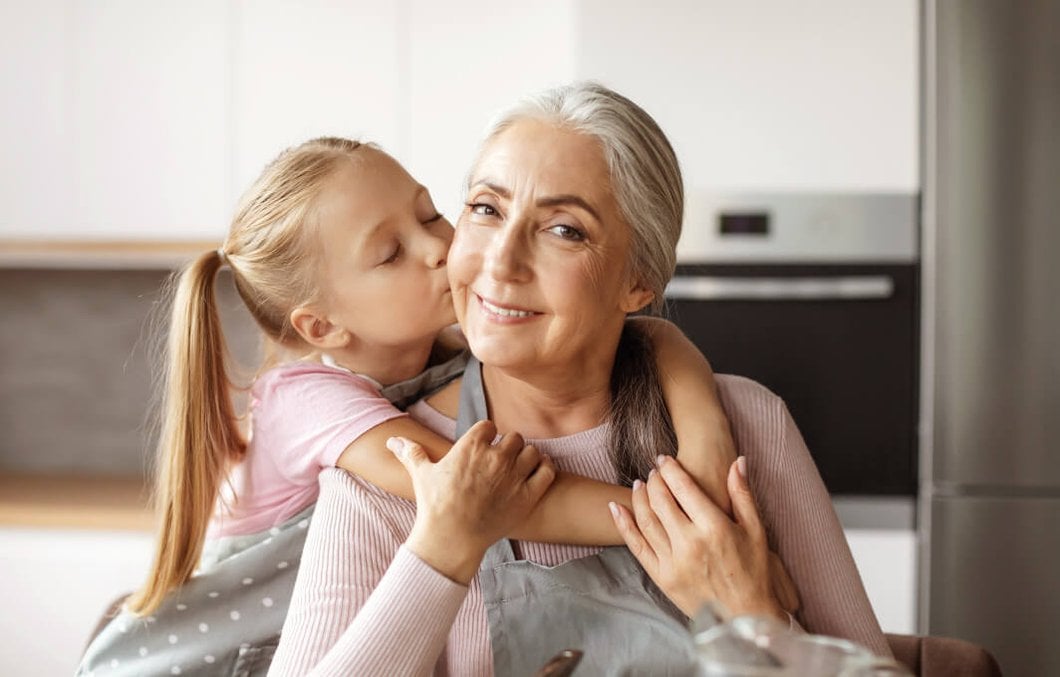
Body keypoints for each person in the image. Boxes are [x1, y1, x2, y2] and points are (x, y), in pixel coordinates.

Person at [269, 82, 888, 676]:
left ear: (638, 281)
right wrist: (441, 555)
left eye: (564, 229)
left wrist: (751, 614)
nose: (500, 262)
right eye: (486, 209)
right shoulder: (393, 469)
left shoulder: (749, 425)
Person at [78, 136, 746, 676]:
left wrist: (707, 433)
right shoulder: (309, 400)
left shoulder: (448, 349)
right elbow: (485, 493)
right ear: (321, 328)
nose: (437, 247)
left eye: (429, 213)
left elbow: (649, 334)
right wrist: (676, 521)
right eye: (392, 253)